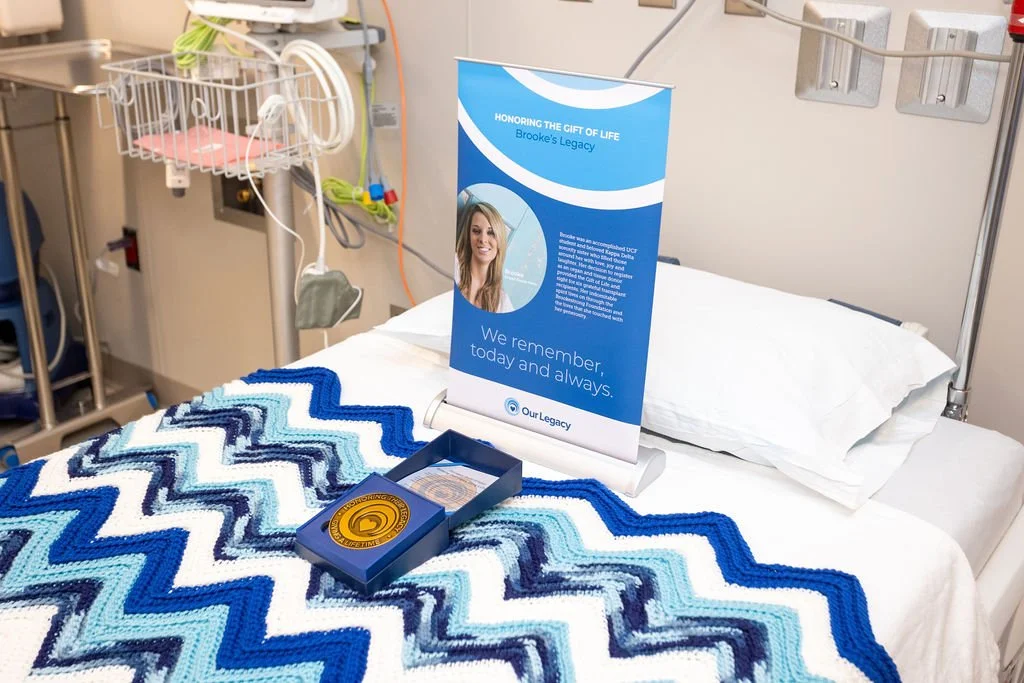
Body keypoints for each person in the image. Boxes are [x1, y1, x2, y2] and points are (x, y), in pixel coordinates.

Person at [455, 201, 514, 313]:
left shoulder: (503, 302)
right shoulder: (453, 265)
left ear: (499, 241)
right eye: (476, 231)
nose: (483, 239)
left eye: (491, 233)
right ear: (468, 236)